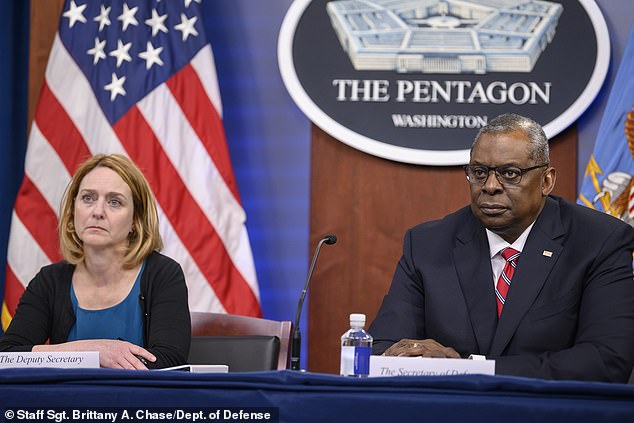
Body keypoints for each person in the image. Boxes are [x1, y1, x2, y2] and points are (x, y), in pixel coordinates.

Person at [369, 113, 634, 382]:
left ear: (546, 181)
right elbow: (382, 349)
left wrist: (470, 368)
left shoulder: (598, 240)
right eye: (479, 173)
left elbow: (607, 359)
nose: (490, 186)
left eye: (510, 173)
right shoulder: (428, 244)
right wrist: (409, 357)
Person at [0, 154, 191, 369]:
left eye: (114, 202)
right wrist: (93, 352)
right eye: (88, 198)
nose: (97, 212)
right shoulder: (50, 280)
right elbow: (7, 356)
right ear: (73, 211)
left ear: (135, 221)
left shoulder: (162, 274)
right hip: (65, 403)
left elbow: (170, 363)